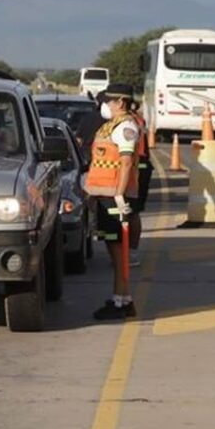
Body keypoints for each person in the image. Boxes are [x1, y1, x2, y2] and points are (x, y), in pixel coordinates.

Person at [84, 83, 141, 320]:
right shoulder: (112, 125)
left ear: (120, 102)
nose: (105, 105)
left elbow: (126, 162)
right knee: (112, 249)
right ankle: (122, 298)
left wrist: (119, 194)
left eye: (109, 101)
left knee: (119, 252)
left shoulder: (126, 126)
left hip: (114, 198)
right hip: (104, 196)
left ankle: (122, 302)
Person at [127, 100, 152, 267]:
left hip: (133, 168)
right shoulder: (137, 119)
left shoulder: (128, 122)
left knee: (131, 212)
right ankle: (129, 251)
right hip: (139, 166)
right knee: (132, 212)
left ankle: (130, 252)